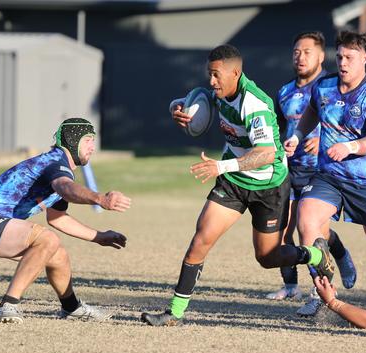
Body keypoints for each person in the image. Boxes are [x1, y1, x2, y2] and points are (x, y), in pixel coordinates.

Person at [141, 44, 335, 326]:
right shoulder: (218, 93)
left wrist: (220, 166)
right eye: (209, 74)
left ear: (235, 73)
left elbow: (266, 153)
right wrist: (177, 109)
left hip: (268, 184)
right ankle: (174, 313)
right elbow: (189, 100)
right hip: (233, 181)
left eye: (216, 75)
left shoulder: (254, 103)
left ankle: (316, 254)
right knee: (201, 238)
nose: (211, 81)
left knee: (268, 257)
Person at [284, 30, 366, 315]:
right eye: (339, 56)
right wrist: (297, 135)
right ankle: (320, 294)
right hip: (328, 176)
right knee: (307, 220)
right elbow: (311, 112)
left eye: (349, 57)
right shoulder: (324, 86)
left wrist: (352, 147)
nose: (342, 62)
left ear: (364, 58)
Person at [0, 118, 132, 324]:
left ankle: (71, 308)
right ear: (73, 140)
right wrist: (100, 199)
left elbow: (57, 218)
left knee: (57, 254)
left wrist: (99, 236)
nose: (93, 147)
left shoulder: (60, 169)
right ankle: (7, 306)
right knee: (47, 240)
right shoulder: (55, 162)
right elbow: (65, 189)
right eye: (88, 140)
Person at [269, 31, 357, 316]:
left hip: (320, 172)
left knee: (315, 232)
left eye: (307, 52)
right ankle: (290, 285)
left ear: (321, 57)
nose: (300, 57)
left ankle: (330, 269)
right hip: (289, 171)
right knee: (281, 232)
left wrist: (322, 141)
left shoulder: (333, 88)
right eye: (296, 51)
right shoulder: (283, 92)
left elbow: (347, 127)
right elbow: (279, 128)